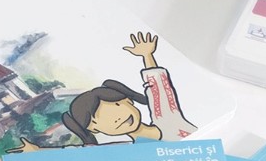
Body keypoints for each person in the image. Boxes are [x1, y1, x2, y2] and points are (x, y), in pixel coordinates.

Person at [14, 31, 196, 151]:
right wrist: (38, 151)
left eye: (117, 105)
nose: (116, 118)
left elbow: (160, 92)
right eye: (96, 119)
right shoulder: (125, 150)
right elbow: (81, 152)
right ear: (93, 128)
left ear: (128, 101)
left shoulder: (168, 120)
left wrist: (147, 56)